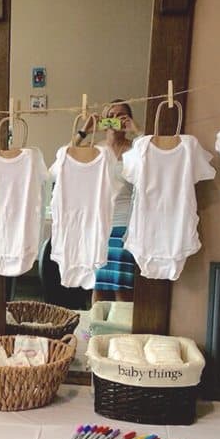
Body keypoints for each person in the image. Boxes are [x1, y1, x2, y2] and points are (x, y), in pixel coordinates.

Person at [82, 99, 140, 302]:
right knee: (98, 285)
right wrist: (85, 131)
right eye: (111, 116)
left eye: (121, 115)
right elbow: (68, 156)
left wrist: (136, 129)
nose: (115, 120)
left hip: (124, 225)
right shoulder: (96, 149)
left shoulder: (136, 149)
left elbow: (154, 159)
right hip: (98, 226)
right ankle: (95, 332)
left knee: (121, 286)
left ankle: (122, 333)